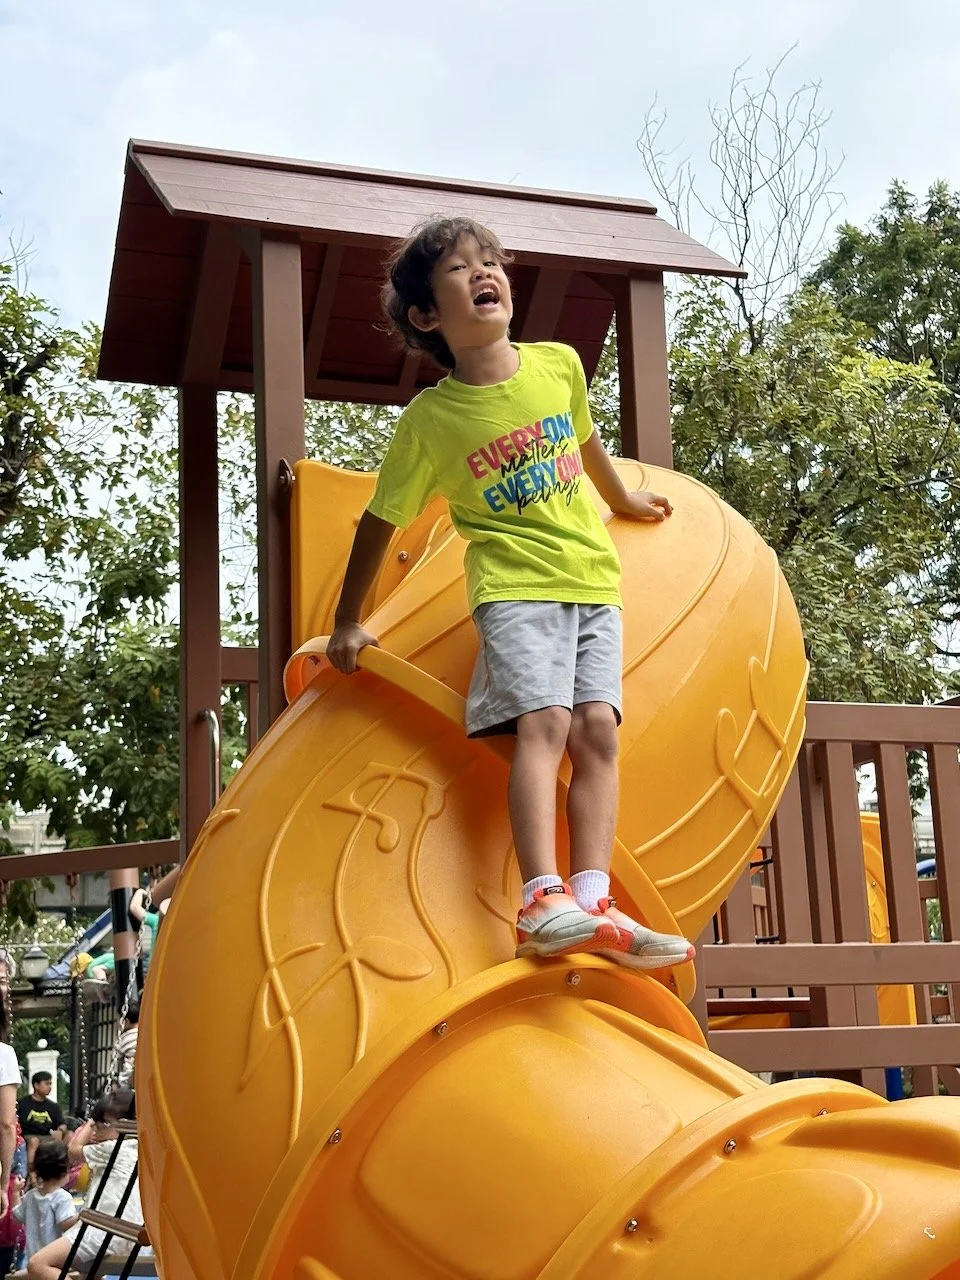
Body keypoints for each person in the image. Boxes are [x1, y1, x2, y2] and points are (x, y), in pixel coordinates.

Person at [327, 217, 696, 968]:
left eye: (490, 260)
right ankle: (541, 899)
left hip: (592, 577)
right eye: (460, 268)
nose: (483, 271)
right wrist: (347, 619)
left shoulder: (557, 365)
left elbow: (584, 440)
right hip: (515, 584)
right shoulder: (433, 420)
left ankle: (594, 901)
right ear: (426, 315)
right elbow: (382, 519)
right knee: (548, 722)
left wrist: (621, 498)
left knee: (598, 730)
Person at [27, 1092, 142, 1280]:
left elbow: (72, 1150)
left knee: (38, 1264)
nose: (96, 1130)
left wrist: (89, 1122)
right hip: (123, 1232)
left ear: (125, 1124)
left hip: (104, 1231)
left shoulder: (112, 1148)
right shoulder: (136, 1149)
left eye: (103, 1124)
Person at [12, 1139, 77, 1265]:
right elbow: (64, 1224)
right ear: (64, 1171)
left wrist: (15, 1193)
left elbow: (17, 1217)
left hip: (31, 1258)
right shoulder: (62, 1197)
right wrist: (83, 1217)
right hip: (53, 1259)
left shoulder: (31, 1195)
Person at [17, 1075, 65, 1182]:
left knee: (66, 1137)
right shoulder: (22, 1104)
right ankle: (32, 1175)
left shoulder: (53, 1106)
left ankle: (60, 1172)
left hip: (46, 1136)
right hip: (28, 1136)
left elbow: (62, 1123)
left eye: (50, 1084)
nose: (50, 1087)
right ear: (36, 1085)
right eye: (46, 1083)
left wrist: (60, 1130)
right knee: (34, 1141)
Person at [115, 1003, 139, 1090]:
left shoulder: (125, 1038)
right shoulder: (143, 1035)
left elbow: (116, 1058)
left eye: (117, 1020)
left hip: (126, 1084)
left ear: (126, 1022)